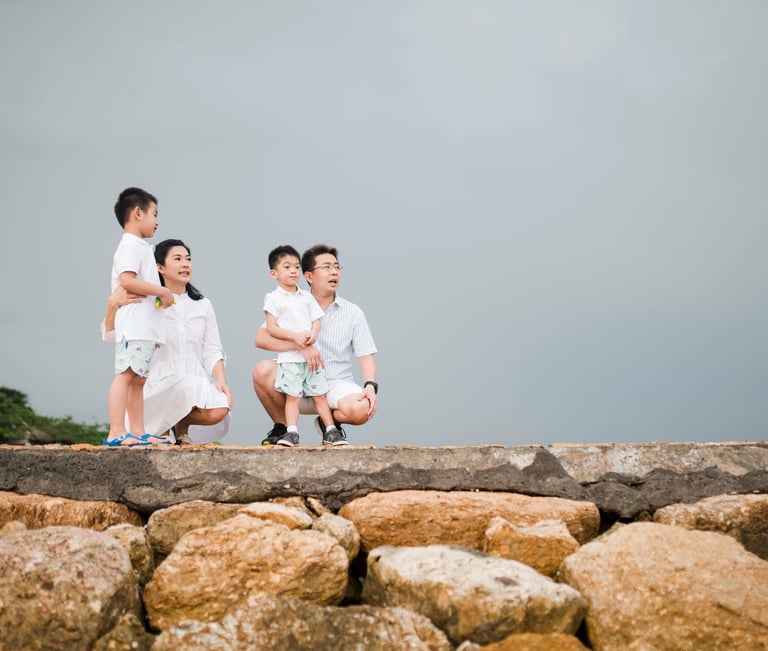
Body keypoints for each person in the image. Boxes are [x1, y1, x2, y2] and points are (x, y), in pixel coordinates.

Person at [103, 239, 232, 446]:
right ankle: (163, 428)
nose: (185, 264)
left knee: (220, 407)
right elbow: (114, 335)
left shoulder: (203, 305)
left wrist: (221, 380)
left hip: (194, 378)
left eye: (188, 259)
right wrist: (112, 305)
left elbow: (212, 348)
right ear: (160, 267)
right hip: (159, 382)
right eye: (177, 259)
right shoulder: (148, 301)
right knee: (163, 437)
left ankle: (181, 424)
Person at [253, 244, 378, 446]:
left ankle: (329, 424)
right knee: (262, 370)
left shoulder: (353, 312)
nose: (334, 272)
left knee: (362, 409)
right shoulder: (292, 303)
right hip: (297, 381)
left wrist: (370, 386)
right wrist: (300, 346)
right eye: (326, 267)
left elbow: (365, 355)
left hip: (336, 385)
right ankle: (283, 428)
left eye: (336, 267)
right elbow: (261, 339)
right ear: (309, 276)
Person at [105, 187, 174, 447]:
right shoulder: (130, 245)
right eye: (154, 214)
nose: (157, 221)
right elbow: (127, 280)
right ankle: (116, 431)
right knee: (126, 375)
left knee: (138, 380)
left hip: (145, 328)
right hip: (134, 327)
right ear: (137, 213)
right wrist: (162, 291)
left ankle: (138, 430)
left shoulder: (140, 247)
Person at [262, 245, 344, 447]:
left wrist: (313, 333)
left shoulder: (307, 297)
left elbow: (316, 320)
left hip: (312, 361)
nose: (293, 271)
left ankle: (331, 431)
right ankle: (292, 432)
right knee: (292, 397)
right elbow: (271, 328)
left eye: (296, 267)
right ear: (274, 273)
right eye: (287, 267)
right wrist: (295, 338)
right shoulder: (273, 299)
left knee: (319, 396)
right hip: (290, 360)